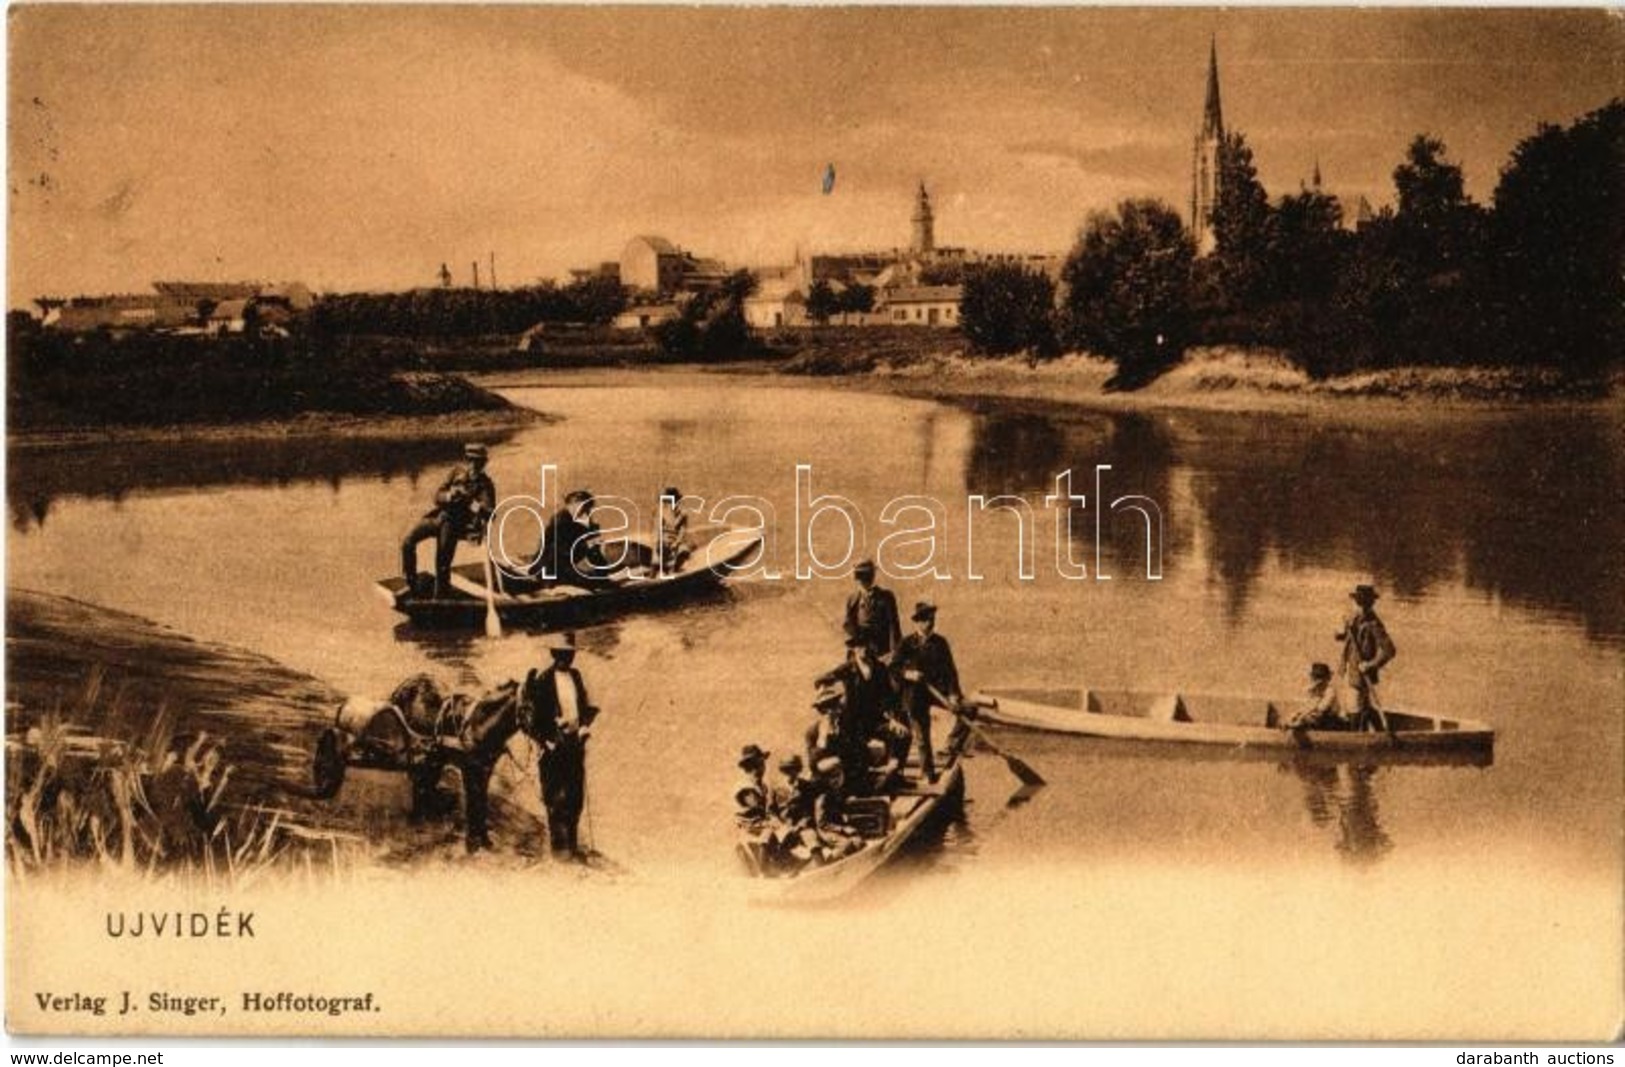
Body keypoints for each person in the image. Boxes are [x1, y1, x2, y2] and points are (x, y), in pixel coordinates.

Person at [520, 632, 599, 860]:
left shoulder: (576, 676)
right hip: (553, 747)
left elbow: (584, 708)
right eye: (562, 654)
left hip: (574, 744)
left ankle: (572, 847)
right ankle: (558, 850)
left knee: (575, 797)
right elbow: (533, 722)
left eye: (570, 654)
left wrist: (584, 726)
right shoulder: (543, 681)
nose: (567, 659)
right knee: (554, 798)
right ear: (554, 655)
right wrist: (547, 740)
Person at [400, 443, 496, 597]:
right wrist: (450, 495)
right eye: (471, 460)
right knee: (407, 542)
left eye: (478, 462)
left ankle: (440, 600)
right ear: (466, 460)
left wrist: (471, 502)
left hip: (455, 524)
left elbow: (490, 514)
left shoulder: (485, 485)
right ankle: (411, 583)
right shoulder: (455, 473)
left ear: (483, 464)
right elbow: (437, 497)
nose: (474, 465)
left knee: (442, 564)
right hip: (438, 518)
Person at [891, 600, 963, 785]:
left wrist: (953, 694)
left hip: (937, 692)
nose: (928, 623)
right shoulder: (906, 643)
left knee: (968, 711)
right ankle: (928, 773)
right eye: (924, 619)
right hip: (915, 695)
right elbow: (893, 669)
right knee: (922, 736)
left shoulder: (940, 643)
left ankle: (950, 746)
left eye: (931, 619)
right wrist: (908, 674)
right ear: (917, 622)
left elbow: (950, 671)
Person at [815, 636, 897, 791]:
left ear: (871, 646)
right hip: (853, 721)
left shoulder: (880, 668)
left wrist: (892, 718)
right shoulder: (847, 669)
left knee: (901, 735)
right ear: (853, 649)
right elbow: (821, 679)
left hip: (875, 720)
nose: (863, 650)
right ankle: (856, 784)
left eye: (866, 646)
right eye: (859, 647)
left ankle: (894, 774)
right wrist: (823, 689)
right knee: (855, 753)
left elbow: (889, 696)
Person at [1336, 584, 1397, 731]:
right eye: (1358, 602)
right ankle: (1370, 733)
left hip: (1361, 675)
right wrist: (1340, 633)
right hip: (1349, 671)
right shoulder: (1354, 618)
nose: (1358, 605)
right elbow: (1345, 637)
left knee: (1355, 707)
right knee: (1360, 705)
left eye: (1361, 602)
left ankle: (1355, 739)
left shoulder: (1373, 624)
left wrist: (1370, 665)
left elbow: (1390, 650)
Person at [533, 489, 609, 588]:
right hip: (551, 568)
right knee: (585, 583)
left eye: (586, 507)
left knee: (597, 582)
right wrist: (586, 545)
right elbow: (560, 552)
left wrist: (603, 572)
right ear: (568, 505)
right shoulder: (560, 523)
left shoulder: (588, 525)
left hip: (567, 567)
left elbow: (595, 554)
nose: (581, 510)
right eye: (574, 505)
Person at [843, 559, 902, 658]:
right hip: (860, 651)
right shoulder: (852, 599)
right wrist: (856, 646)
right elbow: (848, 625)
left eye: (866, 576)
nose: (863, 580)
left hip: (881, 651)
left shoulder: (886, 597)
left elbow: (894, 626)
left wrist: (895, 652)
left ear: (872, 576)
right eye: (859, 576)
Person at [1287, 662, 1346, 731]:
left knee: (1310, 719)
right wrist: (1297, 714)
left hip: (1331, 721)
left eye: (1320, 680)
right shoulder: (1315, 690)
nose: (1317, 683)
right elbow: (1307, 705)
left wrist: (1303, 717)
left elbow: (1320, 709)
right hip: (1320, 718)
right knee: (1297, 717)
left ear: (1326, 679)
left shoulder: (1330, 691)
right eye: (1315, 679)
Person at [733, 744, 771, 834]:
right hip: (749, 832)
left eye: (761, 764)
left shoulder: (762, 787)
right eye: (754, 765)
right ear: (747, 768)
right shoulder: (745, 787)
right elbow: (758, 810)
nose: (759, 768)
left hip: (760, 828)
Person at [658, 487, 693, 573]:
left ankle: (674, 568)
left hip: (677, 541)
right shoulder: (664, 512)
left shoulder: (682, 513)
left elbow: (682, 530)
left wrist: (677, 543)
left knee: (683, 551)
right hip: (666, 540)